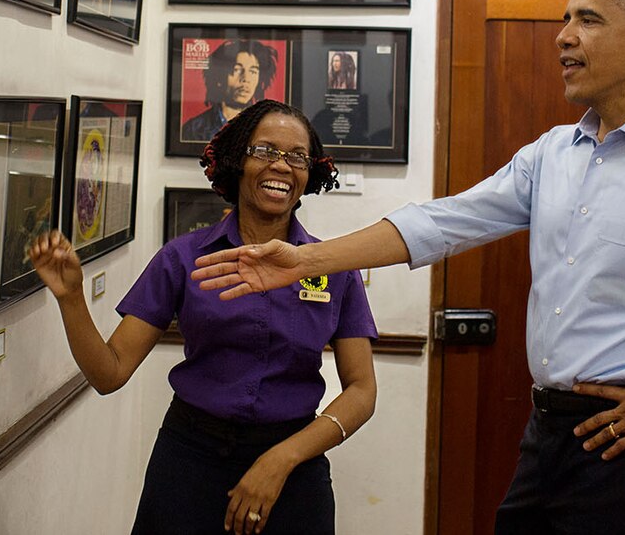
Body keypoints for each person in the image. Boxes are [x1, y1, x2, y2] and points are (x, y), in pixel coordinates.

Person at [193, 0, 625, 534]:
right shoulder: (552, 153)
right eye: (565, 18)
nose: (564, 36)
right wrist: (306, 258)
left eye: (589, 20)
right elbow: (443, 221)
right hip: (549, 437)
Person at [30, 101, 377, 534]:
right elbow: (109, 373)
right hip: (189, 463)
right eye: (265, 151)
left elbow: (362, 391)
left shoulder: (331, 266)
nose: (282, 166)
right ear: (236, 160)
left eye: (297, 156)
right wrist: (71, 298)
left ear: (311, 171)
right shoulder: (182, 258)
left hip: (295, 467)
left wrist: (282, 458)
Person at [181, 39, 279, 144]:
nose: (246, 79)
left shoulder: (267, 128)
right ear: (219, 77)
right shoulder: (194, 129)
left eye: (253, 71)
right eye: (237, 70)